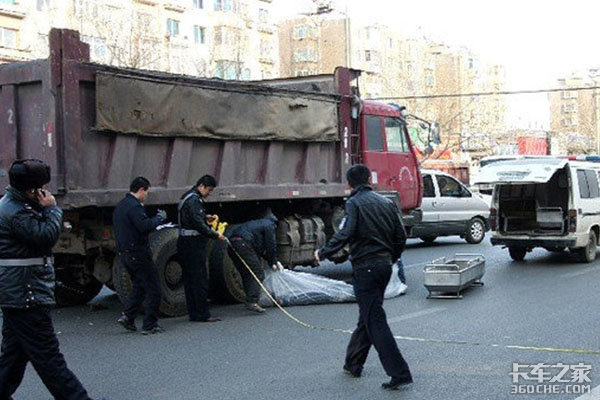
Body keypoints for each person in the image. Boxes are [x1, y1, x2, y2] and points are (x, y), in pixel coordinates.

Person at [314, 164, 413, 390]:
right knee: (367, 316)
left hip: (365, 268)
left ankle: (400, 373)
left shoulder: (354, 203)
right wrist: (391, 257)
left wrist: (323, 252)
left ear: (349, 184)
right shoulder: (387, 203)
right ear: (369, 179)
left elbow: (346, 233)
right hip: (384, 267)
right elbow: (400, 236)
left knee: (375, 320)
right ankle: (353, 363)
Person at [0, 159, 93, 400]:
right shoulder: (16, 211)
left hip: (19, 293)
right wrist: (52, 209)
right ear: (32, 189)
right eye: (41, 187)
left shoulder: (15, 204)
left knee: (13, 356)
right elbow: (45, 236)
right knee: (49, 358)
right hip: (26, 294)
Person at [113, 177, 166, 335]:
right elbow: (144, 226)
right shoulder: (135, 207)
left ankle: (128, 317)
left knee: (139, 286)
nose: (147, 196)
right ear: (141, 190)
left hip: (125, 254)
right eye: (147, 192)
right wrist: (159, 218)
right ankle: (150, 324)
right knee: (154, 289)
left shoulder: (121, 206)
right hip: (139, 253)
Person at [178, 175, 226, 322]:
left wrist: (206, 218)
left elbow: (192, 219)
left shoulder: (187, 196)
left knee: (190, 280)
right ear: (202, 186)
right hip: (193, 244)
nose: (209, 194)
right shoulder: (194, 200)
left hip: (185, 243)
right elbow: (198, 225)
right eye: (209, 190)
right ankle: (203, 314)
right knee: (199, 279)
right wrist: (215, 234)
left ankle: (194, 313)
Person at [227, 216, 283, 313]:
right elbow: (271, 245)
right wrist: (273, 261)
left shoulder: (257, 224)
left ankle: (250, 299)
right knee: (257, 272)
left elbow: (258, 249)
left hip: (232, 244)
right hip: (243, 244)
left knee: (247, 273)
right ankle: (252, 302)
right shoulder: (270, 226)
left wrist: (272, 261)